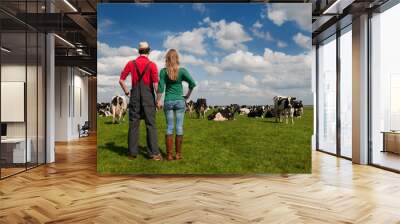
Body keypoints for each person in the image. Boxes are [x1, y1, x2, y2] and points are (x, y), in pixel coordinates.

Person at [119, 41, 162, 161]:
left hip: (135, 97)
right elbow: (156, 84)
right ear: (149, 51)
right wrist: (158, 100)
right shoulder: (152, 65)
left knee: (133, 125)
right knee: (151, 125)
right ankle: (154, 154)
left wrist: (128, 92)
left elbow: (121, 81)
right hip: (148, 97)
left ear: (139, 51)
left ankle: (132, 153)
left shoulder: (131, 64)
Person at [156, 49, 196, 160]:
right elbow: (192, 83)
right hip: (179, 101)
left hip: (168, 101)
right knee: (179, 127)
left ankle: (169, 155)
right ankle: (178, 155)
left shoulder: (163, 72)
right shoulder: (182, 71)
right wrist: (187, 95)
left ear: (167, 59)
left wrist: (158, 100)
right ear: (177, 58)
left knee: (169, 127)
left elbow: (160, 88)